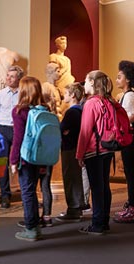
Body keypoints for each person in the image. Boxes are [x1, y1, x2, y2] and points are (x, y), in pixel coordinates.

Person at [10, 76, 50, 241]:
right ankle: (35, 225)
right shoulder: (44, 110)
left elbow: (18, 138)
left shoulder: (20, 111)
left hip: (26, 157)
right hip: (41, 156)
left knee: (27, 192)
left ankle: (31, 228)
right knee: (33, 190)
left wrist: (13, 160)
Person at [76, 70, 115, 235]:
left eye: (85, 81)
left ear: (92, 82)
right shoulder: (108, 100)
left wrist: (79, 154)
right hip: (107, 149)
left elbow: (85, 131)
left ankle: (97, 224)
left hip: (94, 150)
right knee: (104, 186)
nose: (84, 84)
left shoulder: (91, 103)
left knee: (97, 188)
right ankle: (104, 221)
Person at [113, 60, 134, 224]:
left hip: (131, 138)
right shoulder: (127, 95)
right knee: (130, 173)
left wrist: (122, 121)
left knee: (131, 174)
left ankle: (132, 209)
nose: (117, 79)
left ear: (128, 80)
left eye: (119, 77)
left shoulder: (130, 96)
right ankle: (131, 207)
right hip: (131, 137)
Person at [0, 65, 24, 208]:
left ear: (19, 78)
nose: (8, 78)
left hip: (18, 128)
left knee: (22, 160)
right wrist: (0, 125)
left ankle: (26, 193)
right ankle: (5, 195)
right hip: (3, 128)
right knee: (2, 161)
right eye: (8, 75)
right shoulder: (0, 94)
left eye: (12, 76)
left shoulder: (23, 94)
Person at [56, 83, 85, 223]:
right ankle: (77, 206)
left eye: (66, 93)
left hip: (69, 147)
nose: (64, 96)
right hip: (76, 146)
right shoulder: (80, 110)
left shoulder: (72, 112)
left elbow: (61, 129)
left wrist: (64, 130)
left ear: (73, 95)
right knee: (75, 177)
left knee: (70, 178)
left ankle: (73, 208)